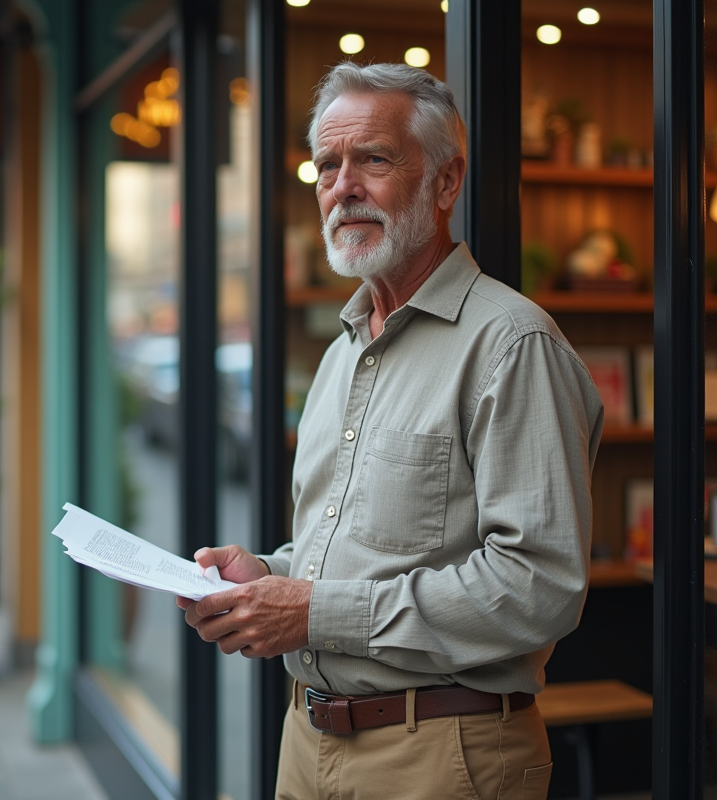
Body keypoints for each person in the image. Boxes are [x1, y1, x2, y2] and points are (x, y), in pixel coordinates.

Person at [178, 63, 604, 799]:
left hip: (443, 754)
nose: (343, 187)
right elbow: (366, 550)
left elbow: (539, 586)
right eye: (326, 167)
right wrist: (272, 579)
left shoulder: (511, 344)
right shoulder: (342, 353)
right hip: (306, 743)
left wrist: (310, 611)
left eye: (372, 159)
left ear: (445, 183)